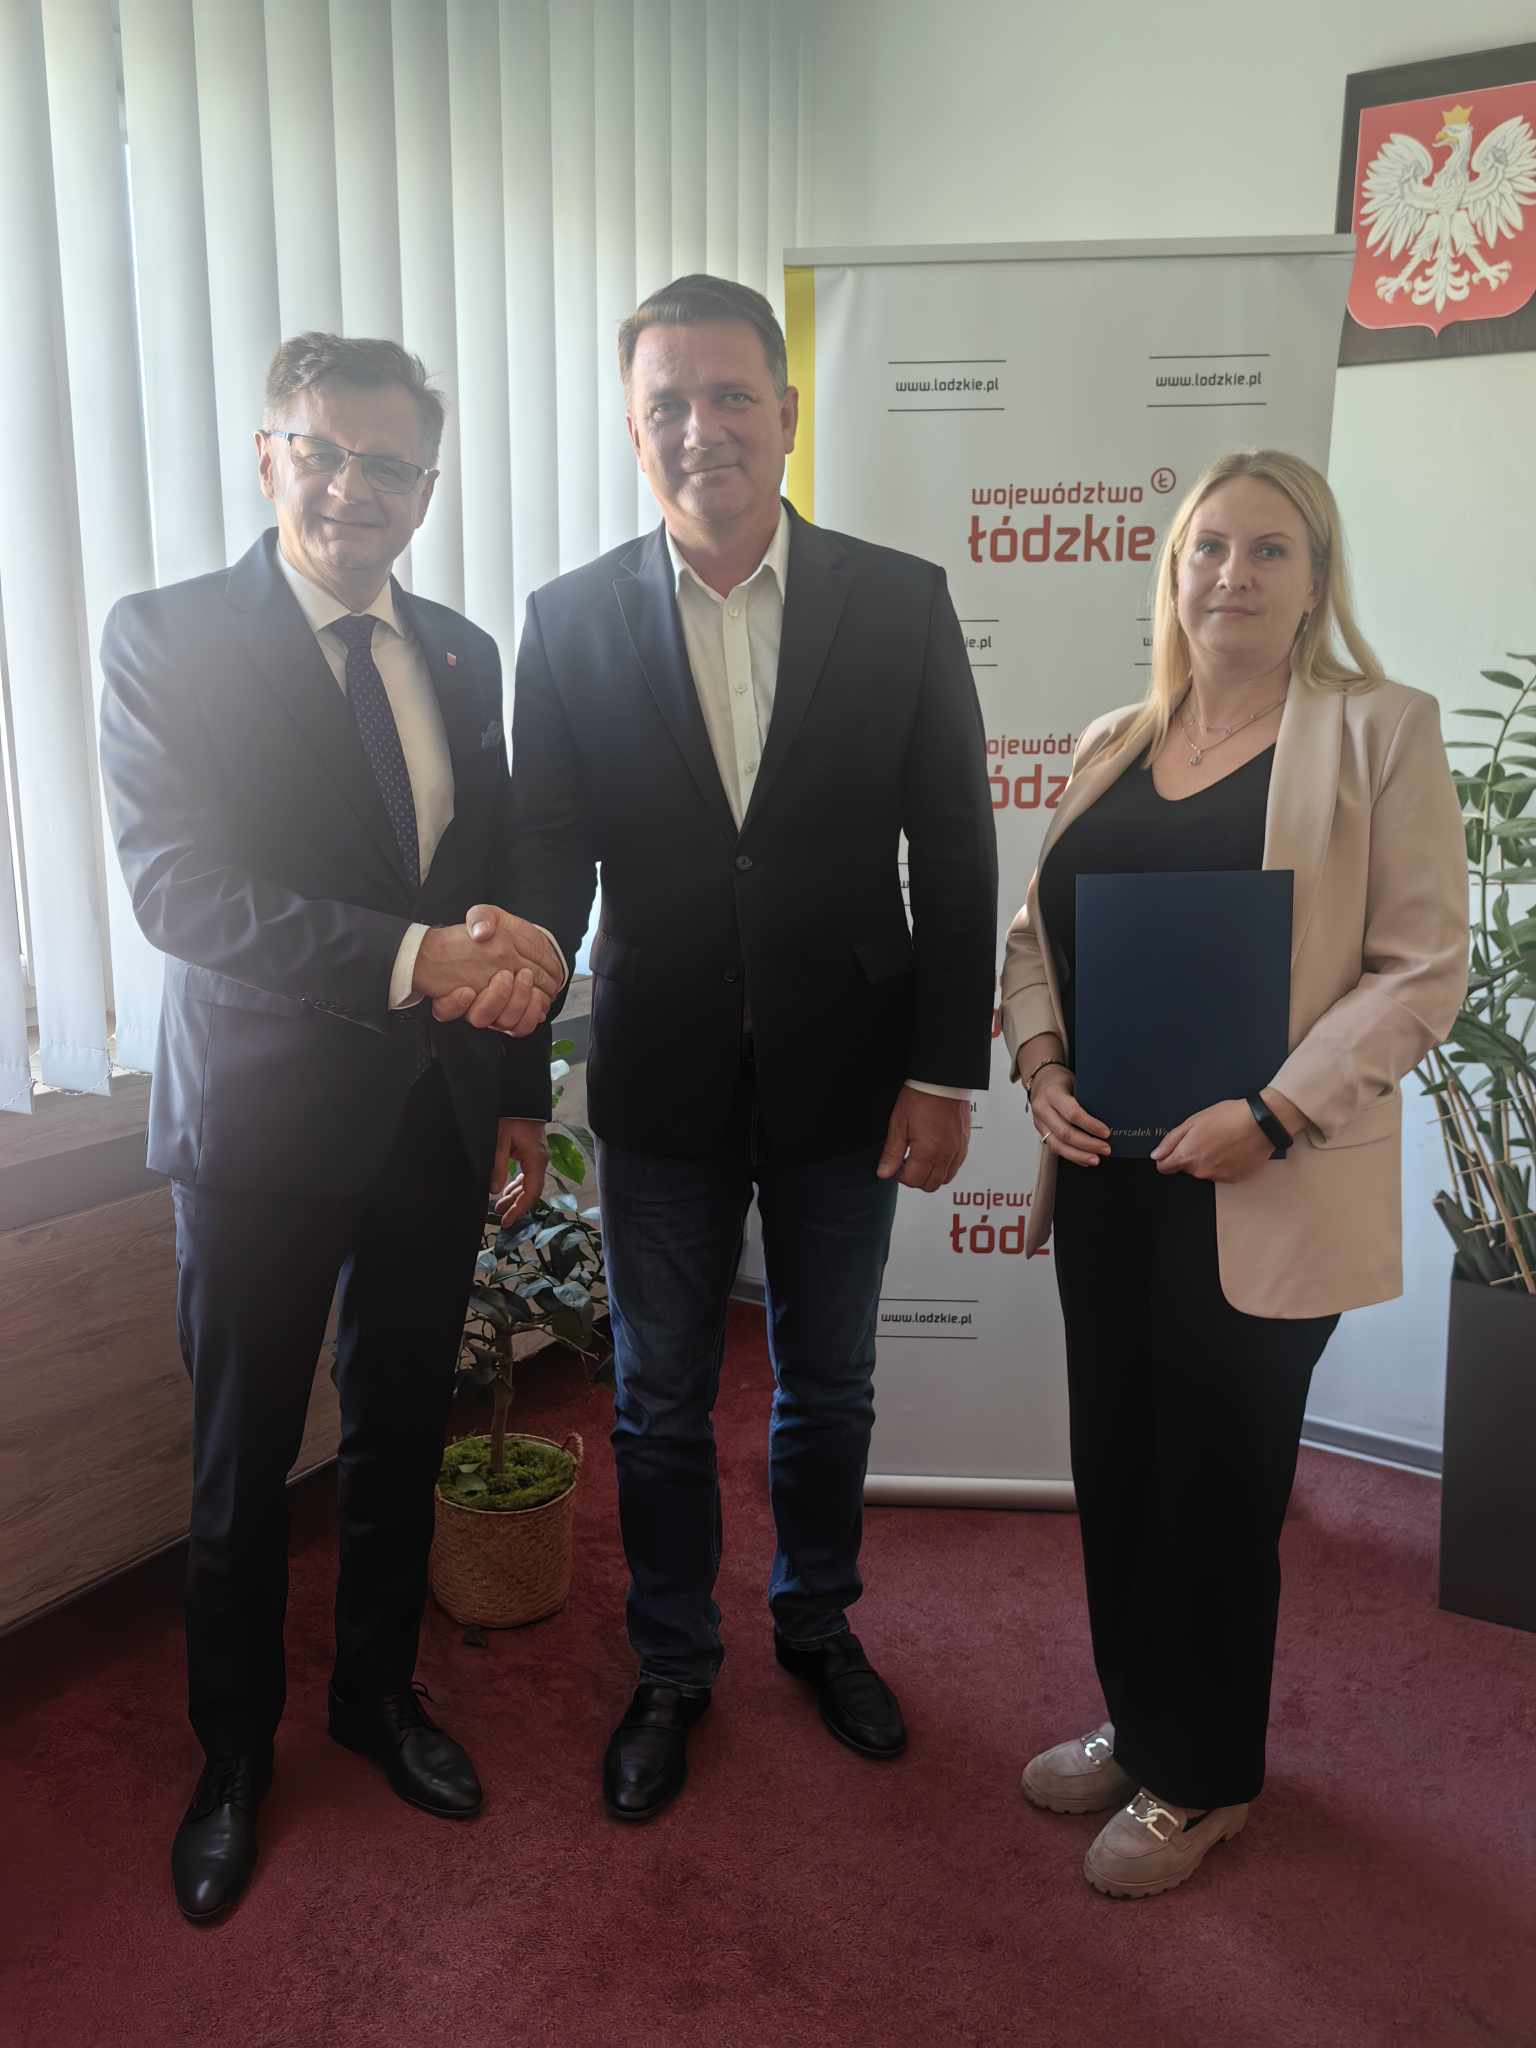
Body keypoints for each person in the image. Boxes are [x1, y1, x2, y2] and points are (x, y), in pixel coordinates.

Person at [442, 274, 997, 1820]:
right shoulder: (566, 621)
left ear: (787, 413)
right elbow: (547, 863)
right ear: (636, 432)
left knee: (832, 1382)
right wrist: (516, 1068)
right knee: (655, 1399)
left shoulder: (899, 601)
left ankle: (817, 1624)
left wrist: (944, 1069)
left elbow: (957, 850)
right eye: (669, 404)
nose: (705, 428)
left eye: (732, 394)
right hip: (662, 1076)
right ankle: (674, 1663)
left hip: (853, 1073)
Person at [98, 334, 564, 1921]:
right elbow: (180, 892)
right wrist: (412, 960)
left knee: (397, 1436)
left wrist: (520, 1085)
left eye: (390, 466)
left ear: (427, 489)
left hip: (435, 1120)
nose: (353, 489)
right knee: (241, 1466)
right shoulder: (167, 637)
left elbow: (492, 880)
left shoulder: (462, 654)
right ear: (268, 454)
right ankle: (234, 1758)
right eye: (324, 452)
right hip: (255, 1130)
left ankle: (375, 1698)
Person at [1000, 448, 1468, 1898]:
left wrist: (1273, 1112)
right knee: (1119, 1465)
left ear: (1317, 581)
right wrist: (1042, 1067)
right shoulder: (1112, 741)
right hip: (1112, 1176)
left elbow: (1420, 967)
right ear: (1172, 571)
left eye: (1270, 550)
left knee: (1218, 1481)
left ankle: (1204, 1778)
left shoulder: (1380, 731)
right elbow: (1033, 938)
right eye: (1209, 547)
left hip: (1263, 1178)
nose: (1233, 575)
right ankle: (1142, 1724)